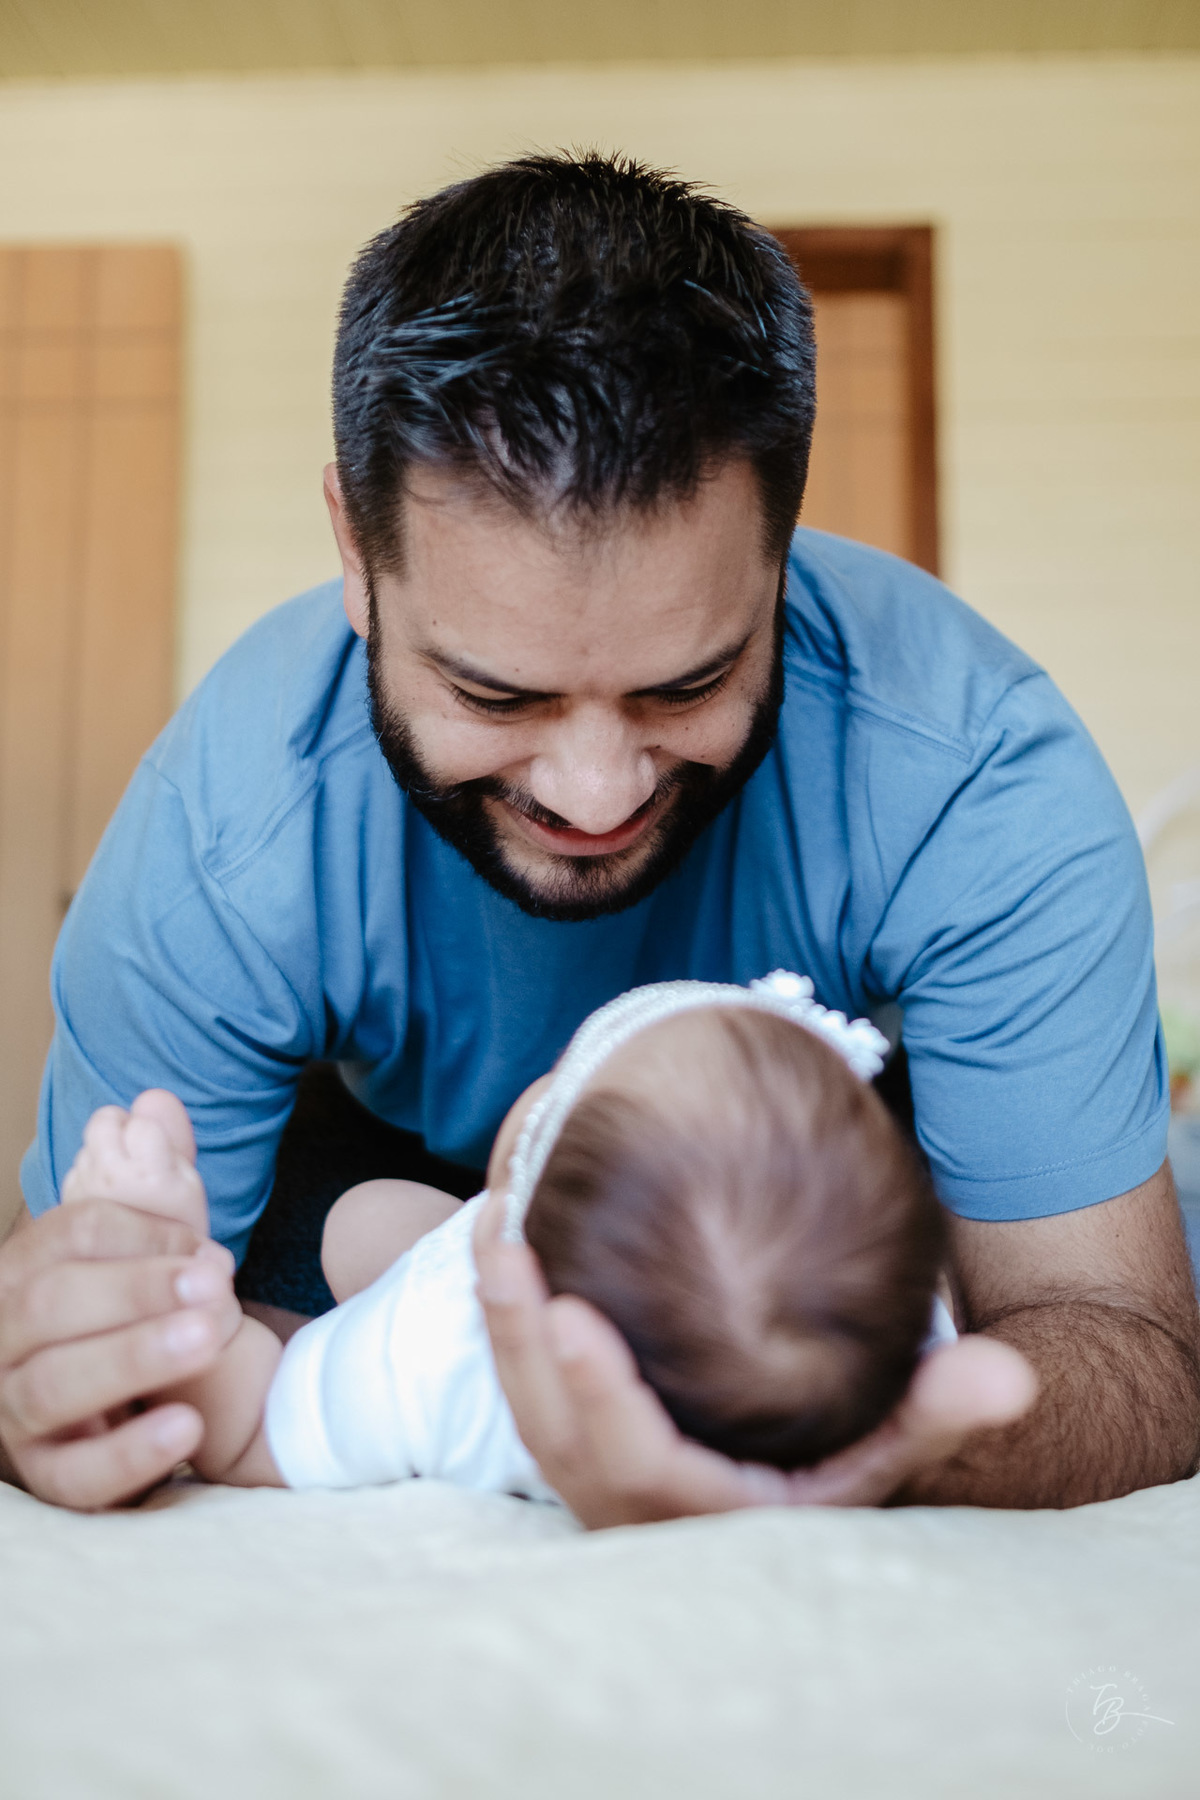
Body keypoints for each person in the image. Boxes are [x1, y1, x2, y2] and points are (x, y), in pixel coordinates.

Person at [1, 153, 1196, 1519]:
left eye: (685, 685)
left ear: (782, 545)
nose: (592, 792)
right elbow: (86, 1333)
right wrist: (56, 1377)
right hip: (377, 1184)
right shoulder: (227, 837)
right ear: (354, 546)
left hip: (787, 1216)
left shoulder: (978, 778)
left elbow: (1124, 1349)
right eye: (493, 694)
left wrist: (866, 1450)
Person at [57, 974, 978, 1497]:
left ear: (510, 1227)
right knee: (374, 1222)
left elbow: (248, 1430)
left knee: (359, 1226)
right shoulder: (884, 1345)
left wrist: (169, 1268)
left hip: (435, 1327)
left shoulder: (442, 1345)